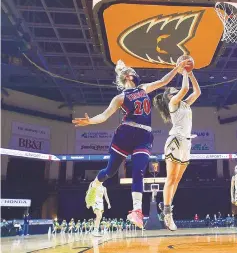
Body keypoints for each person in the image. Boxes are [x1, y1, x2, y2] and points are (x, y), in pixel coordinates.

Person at [73, 59, 190, 229]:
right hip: (126, 133)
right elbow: (105, 116)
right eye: (133, 72)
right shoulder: (120, 98)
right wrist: (90, 121)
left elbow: (163, 81)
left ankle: (137, 211)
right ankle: (96, 184)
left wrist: (176, 68)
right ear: (128, 76)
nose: (136, 73)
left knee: (139, 170)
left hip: (144, 135)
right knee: (110, 171)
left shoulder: (143, 88)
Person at [153, 61, 201, 231]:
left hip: (186, 144)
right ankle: (167, 212)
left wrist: (191, 72)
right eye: (173, 90)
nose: (175, 90)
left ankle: (166, 205)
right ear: (169, 95)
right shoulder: (173, 102)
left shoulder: (185, 104)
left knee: (177, 180)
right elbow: (185, 89)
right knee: (171, 178)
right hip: (175, 141)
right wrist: (184, 72)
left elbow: (197, 91)